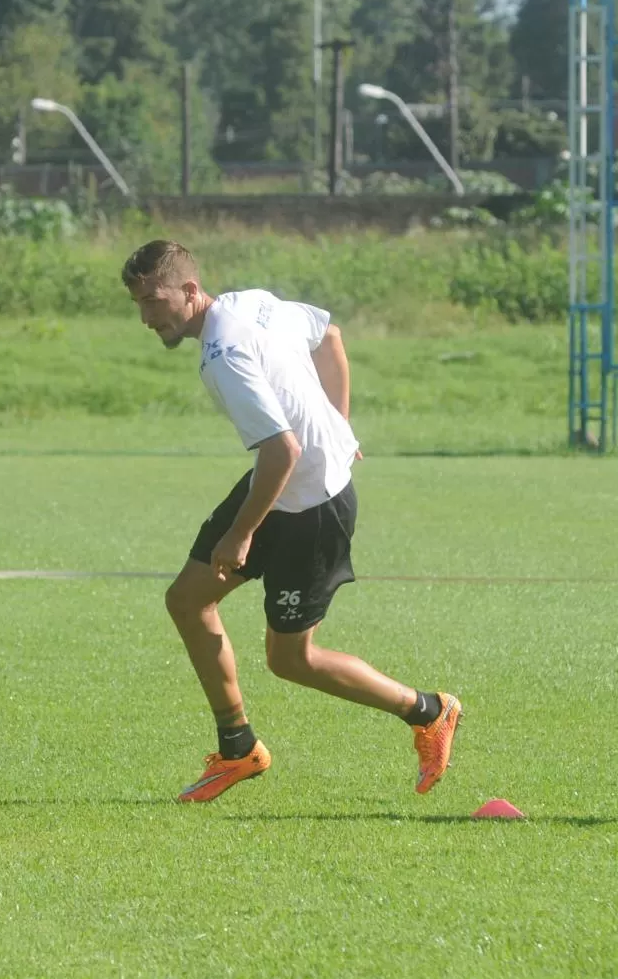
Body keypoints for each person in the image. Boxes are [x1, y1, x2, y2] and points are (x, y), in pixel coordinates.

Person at [121, 239, 461, 803]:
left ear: (188, 290)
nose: (146, 317)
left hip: (313, 510)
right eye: (137, 304)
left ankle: (429, 711)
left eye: (154, 301)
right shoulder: (249, 303)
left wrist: (241, 534)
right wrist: (338, 428)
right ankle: (239, 750)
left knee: (291, 659)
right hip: (278, 487)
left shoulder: (223, 355)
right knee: (186, 599)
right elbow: (329, 336)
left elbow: (282, 450)